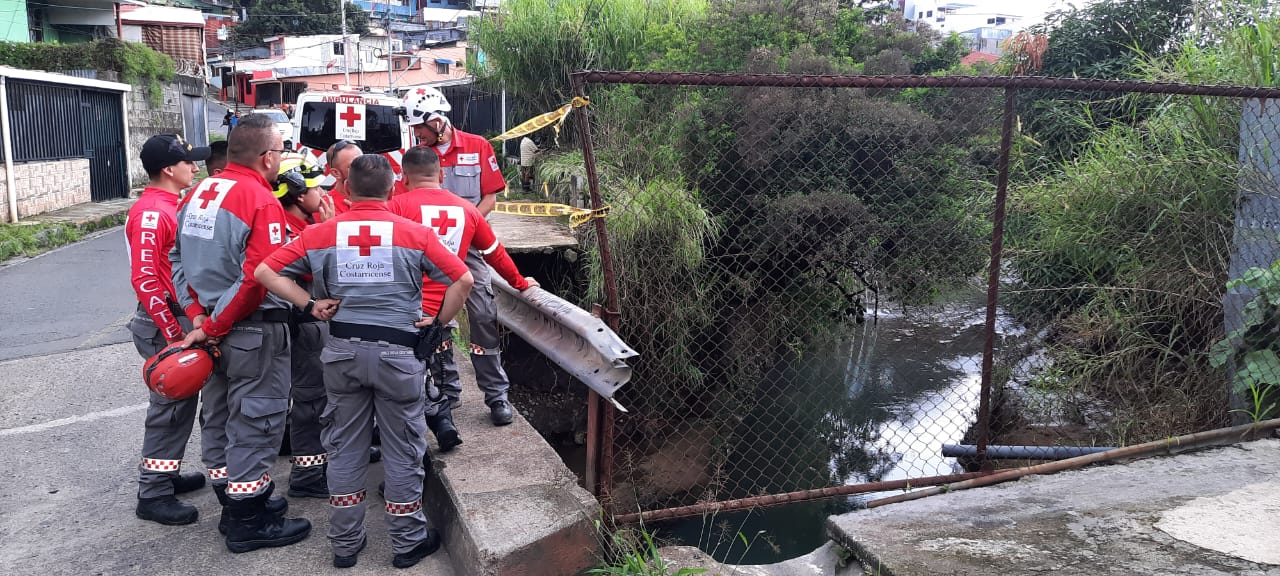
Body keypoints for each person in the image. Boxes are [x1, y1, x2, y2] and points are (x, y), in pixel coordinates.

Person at [255, 154, 473, 569]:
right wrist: (438, 323)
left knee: (343, 447)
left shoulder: (320, 233)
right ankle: (407, 541)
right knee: (403, 447)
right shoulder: (415, 234)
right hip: (398, 357)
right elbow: (463, 279)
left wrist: (310, 304)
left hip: (341, 355)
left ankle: (345, 543)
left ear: (347, 189)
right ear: (394, 188)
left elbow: (266, 271)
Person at [170, 113, 312, 553]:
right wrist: (215, 324)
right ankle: (246, 522)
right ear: (268, 157)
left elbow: (176, 259)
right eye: (281, 151)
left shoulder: (199, 192)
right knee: (257, 420)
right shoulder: (260, 198)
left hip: (209, 329)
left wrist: (197, 316)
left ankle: (235, 499)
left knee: (218, 417)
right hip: (249, 330)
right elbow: (258, 277)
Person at [390, 146, 540, 450]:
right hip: (454, 296)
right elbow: (494, 253)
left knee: (421, 360)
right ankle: (496, 399)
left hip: (414, 303)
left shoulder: (395, 207)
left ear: (404, 177)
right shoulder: (467, 209)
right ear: (442, 175)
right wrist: (520, 283)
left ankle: (444, 403)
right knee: (482, 334)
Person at [401, 86, 517, 425]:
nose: (417, 134)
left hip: (467, 250)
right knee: (436, 320)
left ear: (437, 121)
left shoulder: (478, 147)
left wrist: (463, 232)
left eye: (420, 128)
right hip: (427, 258)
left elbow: (490, 199)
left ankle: (496, 395)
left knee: (483, 317)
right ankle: (448, 391)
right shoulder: (417, 156)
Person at [128, 134, 211, 526]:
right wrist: (172, 336)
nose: (195, 169)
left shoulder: (169, 206)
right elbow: (146, 279)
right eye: (188, 163)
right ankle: (154, 491)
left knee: (180, 406)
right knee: (170, 405)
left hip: (175, 318)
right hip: (165, 320)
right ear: (168, 169)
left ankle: (166, 473)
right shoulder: (152, 213)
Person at [271, 154, 337, 500]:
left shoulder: (287, 224)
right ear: (297, 193)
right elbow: (320, 272)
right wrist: (328, 230)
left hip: (298, 322)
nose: (324, 195)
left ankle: (309, 453)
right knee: (311, 398)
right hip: (303, 322)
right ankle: (308, 473)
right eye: (316, 189)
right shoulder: (291, 231)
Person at [325, 139, 363, 215]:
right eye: (354, 165)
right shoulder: (327, 206)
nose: (363, 168)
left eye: (363, 162)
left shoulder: (376, 199)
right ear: (336, 173)